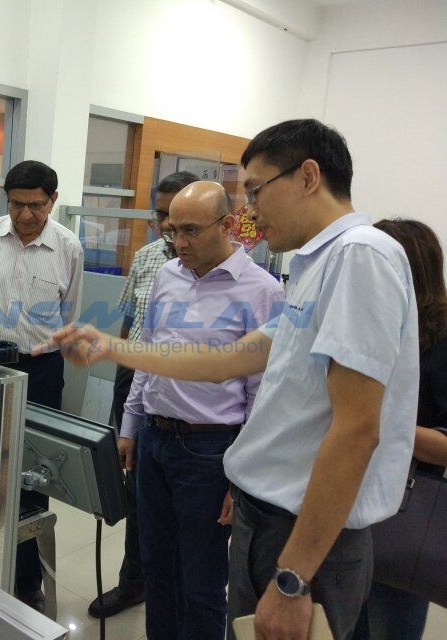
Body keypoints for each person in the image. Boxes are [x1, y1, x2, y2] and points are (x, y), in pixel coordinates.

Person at [41, 119, 419, 640]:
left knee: (205, 589)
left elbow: (356, 430)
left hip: (301, 529)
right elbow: (228, 360)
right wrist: (110, 346)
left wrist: (292, 579)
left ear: (308, 176)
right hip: (268, 515)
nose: (251, 212)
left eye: (257, 191)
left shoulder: (360, 257)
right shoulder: (317, 265)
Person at [124, 181, 284, 639]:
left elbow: (262, 393)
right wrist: (131, 425)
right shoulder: (168, 275)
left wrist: (240, 474)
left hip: (210, 451)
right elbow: (149, 352)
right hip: (154, 439)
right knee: (156, 566)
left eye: (191, 230)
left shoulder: (262, 291)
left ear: (227, 224)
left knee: (201, 579)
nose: (179, 242)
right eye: (172, 230)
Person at [0, 159, 83, 611]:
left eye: (36, 205)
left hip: (41, 370)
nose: (25, 215)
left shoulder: (68, 247)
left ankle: (26, 578)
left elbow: (70, 317)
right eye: (16, 204)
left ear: (53, 201)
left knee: (34, 472)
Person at [89, 171, 200, 620]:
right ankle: (135, 582)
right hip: (136, 379)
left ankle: (181, 592)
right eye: (161, 215)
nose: (168, 225)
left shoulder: (226, 265)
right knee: (137, 487)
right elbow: (129, 319)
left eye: (179, 217)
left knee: (188, 505)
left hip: (191, 394)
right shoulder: (148, 256)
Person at [352, 218, 447, 640]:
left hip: (403, 509)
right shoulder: (366, 327)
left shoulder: (440, 342)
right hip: (347, 499)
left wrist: (377, 421)